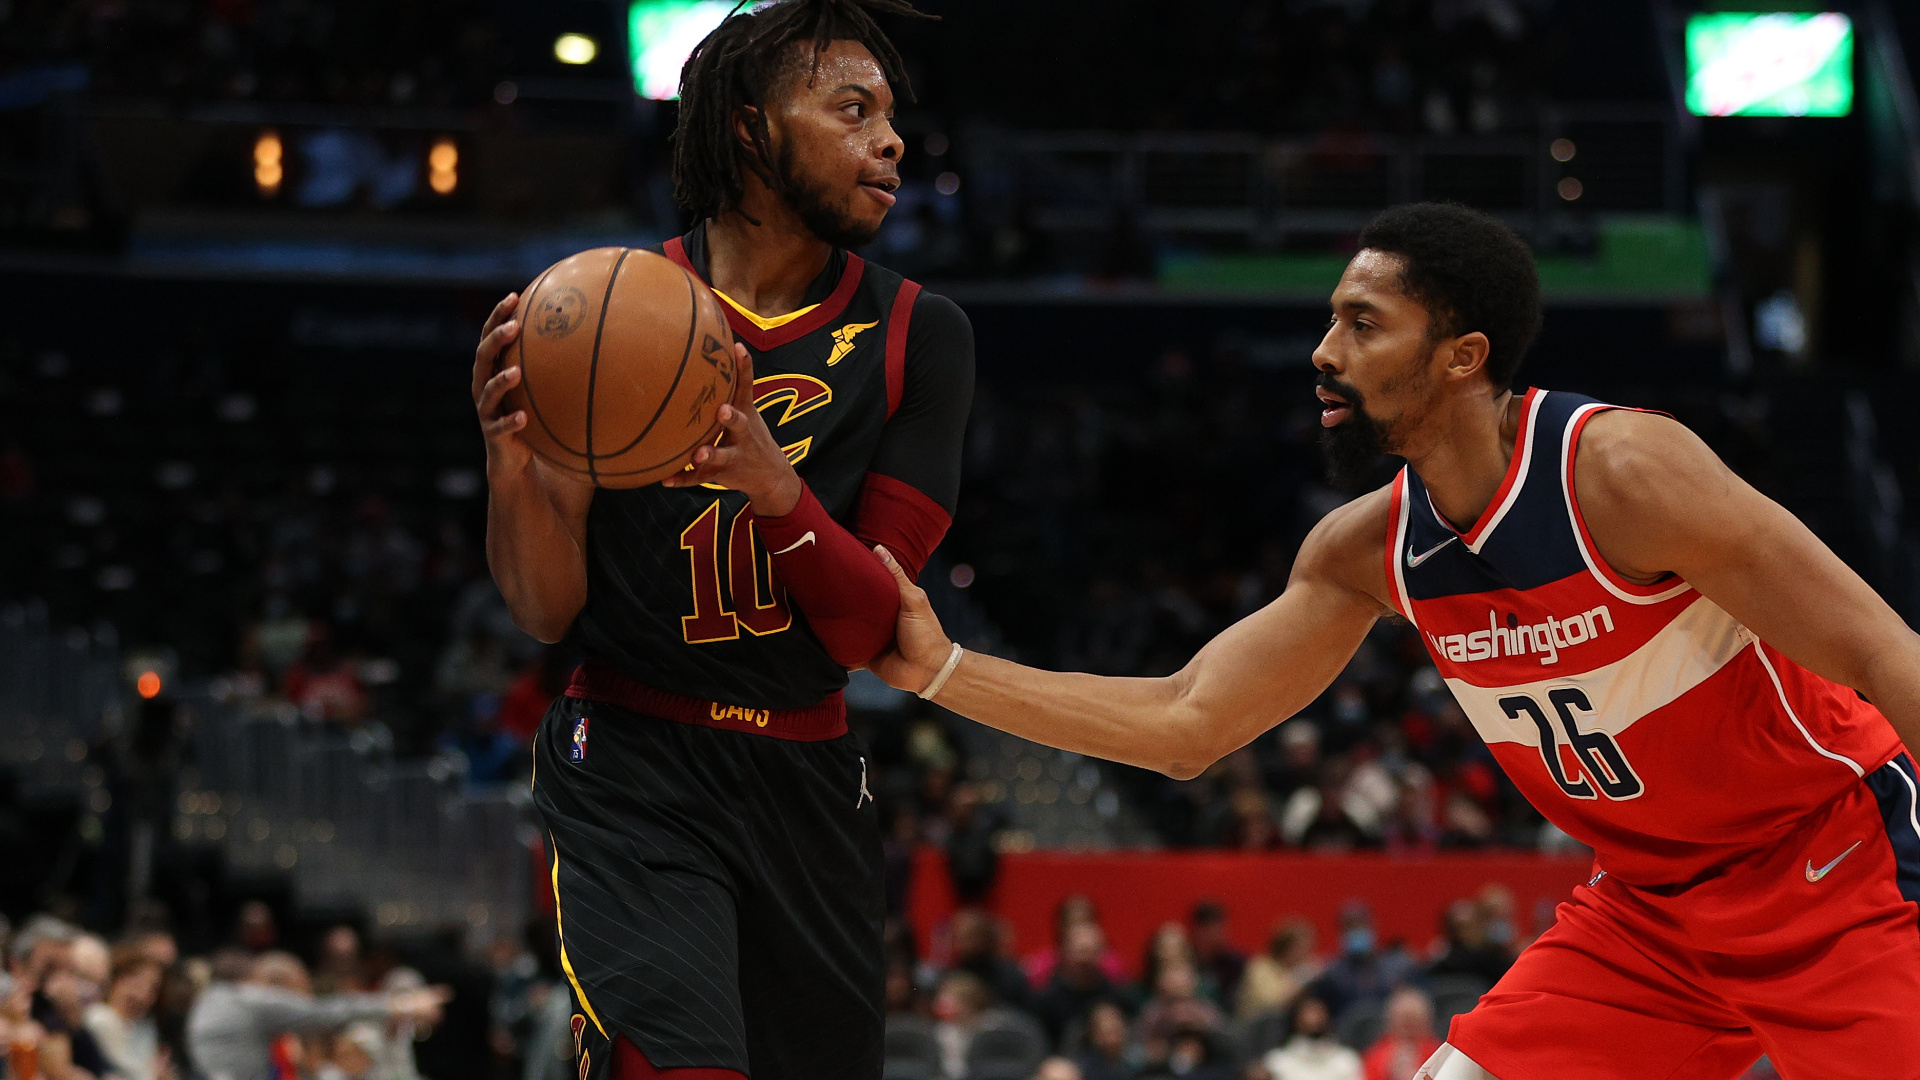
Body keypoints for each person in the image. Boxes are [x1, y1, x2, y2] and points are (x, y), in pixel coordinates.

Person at [867, 201, 1920, 1080]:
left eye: (1363, 325)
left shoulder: (1625, 473)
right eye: (1332, 321)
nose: (1324, 353)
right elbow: (1188, 725)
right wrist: (945, 669)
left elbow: (1883, 652)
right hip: (1648, 918)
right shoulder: (1365, 550)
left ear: (1463, 357)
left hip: (1836, 875)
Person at [469, 1, 973, 1076]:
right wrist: (513, 463)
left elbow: (868, 630)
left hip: (806, 766)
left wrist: (776, 492)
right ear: (749, 131)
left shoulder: (918, 333)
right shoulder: (600, 310)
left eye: (891, 114)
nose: (890, 140)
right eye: (851, 109)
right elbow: (544, 608)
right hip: (632, 757)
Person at [186, 952, 448, 1080]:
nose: (295, 1008)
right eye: (297, 996)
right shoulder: (252, 999)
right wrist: (396, 1004)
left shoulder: (218, 998)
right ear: (277, 989)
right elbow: (322, 1013)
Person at [84, 948, 172, 1080]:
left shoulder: (144, 1027)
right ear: (118, 979)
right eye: (137, 982)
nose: (144, 993)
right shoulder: (100, 1018)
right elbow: (130, 1072)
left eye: (153, 987)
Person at [1236, 918, 1321, 1022]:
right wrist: (1303, 974)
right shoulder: (1260, 967)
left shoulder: (1298, 970)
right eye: (1302, 948)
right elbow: (1270, 1003)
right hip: (1253, 1029)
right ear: (1287, 947)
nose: (1307, 954)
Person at [1263, 997, 1362, 1080]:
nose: (1313, 1018)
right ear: (1295, 1019)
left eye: (1317, 1012)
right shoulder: (1277, 1063)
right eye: (1308, 1012)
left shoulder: (1346, 1061)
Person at [1361, 989, 1440, 1080]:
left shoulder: (1439, 1053)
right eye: (1405, 1022)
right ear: (1391, 1022)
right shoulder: (1375, 1057)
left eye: (1414, 1021)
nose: (1409, 1028)